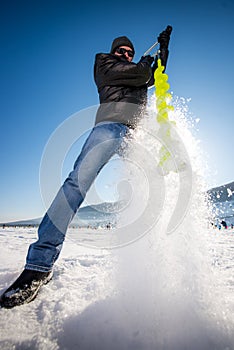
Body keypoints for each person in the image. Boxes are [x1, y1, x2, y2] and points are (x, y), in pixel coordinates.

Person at [0, 30, 171, 308]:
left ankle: (158, 263)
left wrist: (164, 50)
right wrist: (144, 61)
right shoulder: (103, 62)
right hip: (110, 126)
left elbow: (153, 75)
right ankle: (39, 265)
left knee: (156, 184)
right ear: (114, 52)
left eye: (130, 52)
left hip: (136, 135)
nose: (126, 54)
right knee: (76, 185)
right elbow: (142, 74)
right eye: (122, 51)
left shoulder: (134, 68)